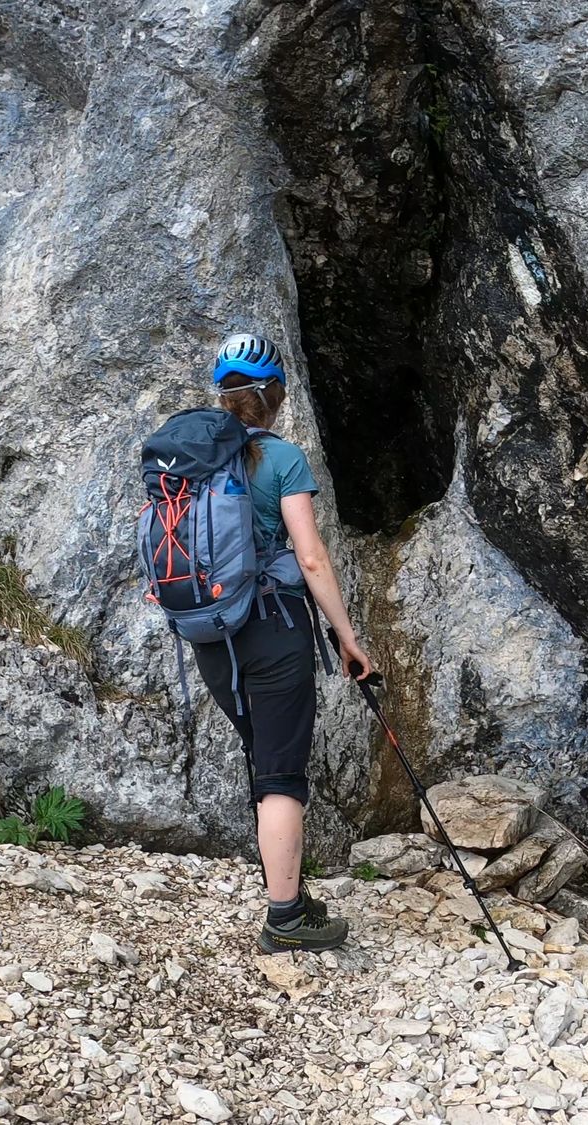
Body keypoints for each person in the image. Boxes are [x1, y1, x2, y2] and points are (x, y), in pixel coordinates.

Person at [190, 332, 376, 954]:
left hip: (213, 634)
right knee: (280, 774)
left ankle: (287, 890)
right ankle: (286, 917)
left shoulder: (190, 458)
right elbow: (312, 557)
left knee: (260, 754)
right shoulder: (283, 459)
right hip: (274, 627)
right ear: (275, 396)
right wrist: (348, 637)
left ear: (224, 395)